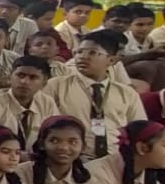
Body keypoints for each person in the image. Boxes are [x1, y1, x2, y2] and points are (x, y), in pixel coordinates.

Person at [42, 29, 145, 160]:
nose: (83, 57)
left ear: (111, 60)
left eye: (93, 53)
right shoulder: (56, 86)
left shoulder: (126, 93)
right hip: (72, 157)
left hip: (115, 158)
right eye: (79, 52)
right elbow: (43, 125)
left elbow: (139, 129)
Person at [0, 56, 57, 151]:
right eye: (20, 75)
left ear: (44, 83)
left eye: (33, 77)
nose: (24, 82)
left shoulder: (47, 102)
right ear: (10, 77)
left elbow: (56, 135)